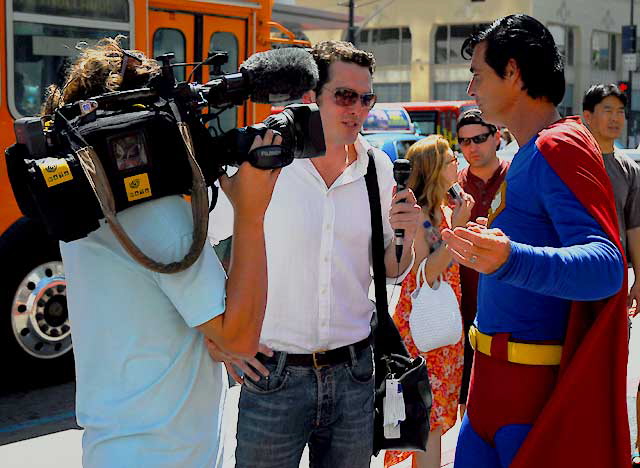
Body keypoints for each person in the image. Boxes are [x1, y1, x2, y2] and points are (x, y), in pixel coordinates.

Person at [48, 37, 281, 467]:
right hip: (165, 455)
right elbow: (240, 337)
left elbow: (155, 310)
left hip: (119, 448)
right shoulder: (155, 214)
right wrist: (251, 216)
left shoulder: (96, 202)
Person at [207, 40, 420, 468]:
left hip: (356, 374)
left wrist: (408, 236)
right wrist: (218, 338)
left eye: (366, 98)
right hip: (274, 376)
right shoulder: (265, 160)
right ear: (310, 97)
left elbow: (388, 272)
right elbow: (200, 253)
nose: (357, 109)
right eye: (344, 96)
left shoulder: (376, 168)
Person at [444, 15, 627, 467]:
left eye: (478, 75)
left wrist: (509, 259)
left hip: (530, 403)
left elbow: (606, 266)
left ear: (513, 72)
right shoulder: (532, 151)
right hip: (491, 392)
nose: (471, 89)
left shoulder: (557, 146)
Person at [384, 135, 473, 468]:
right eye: (451, 159)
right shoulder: (420, 215)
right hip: (422, 331)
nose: (458, 164)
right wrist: (459, 231)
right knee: (427, 421)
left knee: (431, 420)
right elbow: (426, 272)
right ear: (435, 168)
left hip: (440, 327)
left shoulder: (441, 212)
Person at [581, 83, 640, 466]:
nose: (616, 117)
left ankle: (614, 446)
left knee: (616, 366)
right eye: (607, 109)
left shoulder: (630, 169)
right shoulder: (576, 164)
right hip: (577, 281)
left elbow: (634, 227)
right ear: (587, 116)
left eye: (620, 111)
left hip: (617, 285)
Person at [455, 108, 509, 418]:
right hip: (461, 308)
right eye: (464, 142)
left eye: (479, 138)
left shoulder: (516, 178)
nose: (472, 147)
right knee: (465, 403)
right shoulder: (453, 187)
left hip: (507, 306)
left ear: (497, 137)